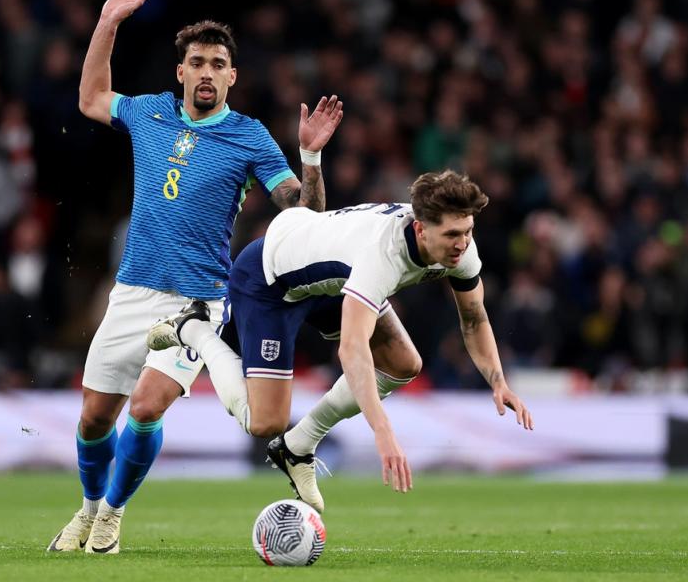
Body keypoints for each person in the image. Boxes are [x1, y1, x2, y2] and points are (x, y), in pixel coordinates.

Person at [47, 0, 343, 554]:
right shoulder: (149, 113)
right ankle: (85, 511)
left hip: (197, 303)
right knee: (91, 420)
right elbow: (89, 99)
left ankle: (111, 513)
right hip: (131, 290)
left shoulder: (249, 136)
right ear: (180, 71)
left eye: (218, 64)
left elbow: (305, 216)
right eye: (197, 62)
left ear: (233, 76)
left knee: (148, 404)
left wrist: (309, 156)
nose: (207, 72)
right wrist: (108, 22)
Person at [148, 170, 533, 512]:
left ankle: (297, 445)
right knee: (264, 422)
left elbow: (474, 317)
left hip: (331, 279)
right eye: (452, 234)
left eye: (467, 232)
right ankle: (194, 328)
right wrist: (383, 430)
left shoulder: (459, 248)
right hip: (271, 280)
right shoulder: (381, 255)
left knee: (404, 364)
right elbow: (351, 349)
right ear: (420, 228)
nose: (462, 244)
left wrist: (498, 381)